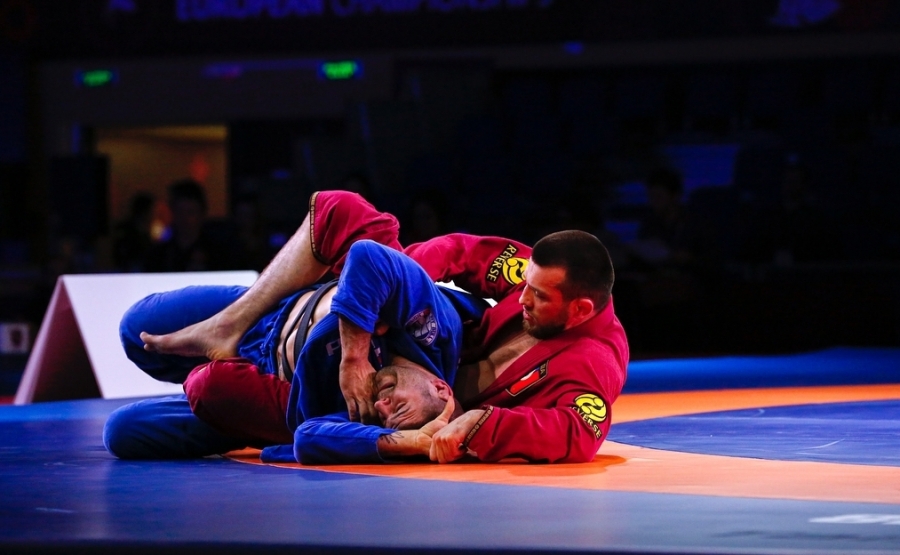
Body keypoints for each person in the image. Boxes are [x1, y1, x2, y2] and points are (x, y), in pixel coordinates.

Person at [139, 190, 629, 464]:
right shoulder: (533, 277)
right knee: (136, 331)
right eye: (525, 286)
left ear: (581, 310)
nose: (520, 297)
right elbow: (460, 251)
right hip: (412, 343)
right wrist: (399, 285)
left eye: (538, 298)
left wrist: (480, 426)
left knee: (133, 430)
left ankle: (244, 406)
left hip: (406, 404)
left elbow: (577, 431)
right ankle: (243, 324)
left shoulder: (592, 363)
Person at [104, 232, 486, 459]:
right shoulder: (435, 329)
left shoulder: (373, 418)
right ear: (439, 386)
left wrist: (407, 441)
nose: (382, 406)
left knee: (123, 432)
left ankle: (235, 414)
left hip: (277, 394)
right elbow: (368, 255)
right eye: (399, 404)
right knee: (135, 330)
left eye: (387, 418)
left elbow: (309, 436)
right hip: (271, 321)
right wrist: (354, 355)